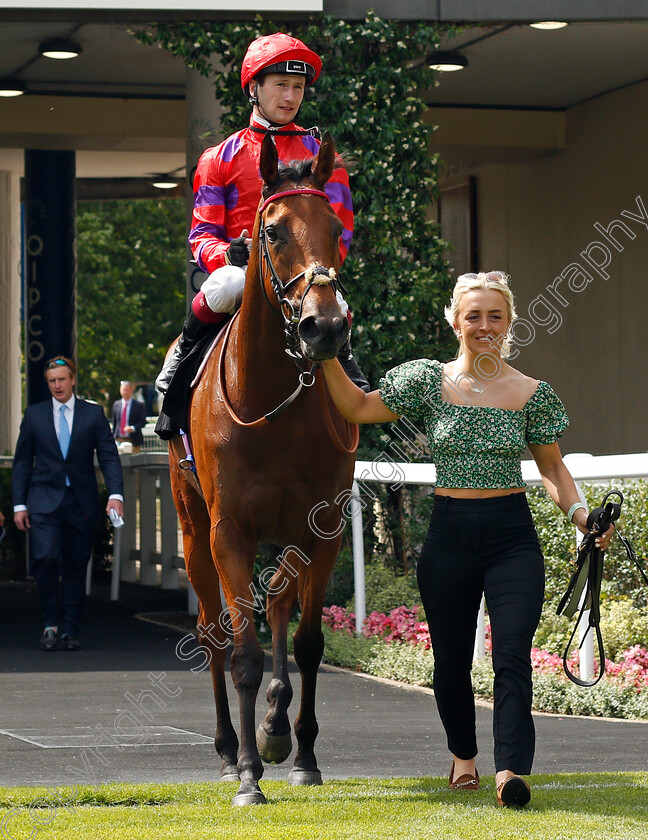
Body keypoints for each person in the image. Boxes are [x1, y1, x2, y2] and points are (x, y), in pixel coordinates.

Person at [320, 271, 614, 808]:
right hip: (449, 536)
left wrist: (580, 514)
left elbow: (552, 467)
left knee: (511, 656)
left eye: (494, 316)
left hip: (512, 538)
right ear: (455, 320)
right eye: (473, 315)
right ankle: (463, 755)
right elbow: (358, 408)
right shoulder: (427, 382)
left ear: (508, 324)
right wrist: (326, 353)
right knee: (451, 664)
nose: (484, 325)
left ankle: (510, 772)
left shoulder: (531, 393)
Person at [155, 31, 369, 397]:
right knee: (225, 285)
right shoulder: (218, 158)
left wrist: (316, 272)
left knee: (339, 306)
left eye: (298, 87)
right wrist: (226, 254)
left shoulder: (324, 156)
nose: (290, 97)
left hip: (304, 275)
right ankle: (182, 360)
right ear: (254, 87)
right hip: (244, 270)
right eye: (281, 84)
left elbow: (341, 232)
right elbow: (201, 234)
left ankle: (351, 377)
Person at [12, 356, 124, 651]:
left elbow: (109, 456)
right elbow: (23, 462)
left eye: (62, 379)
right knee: (46, 559)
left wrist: (116, 494)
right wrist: (19, 505)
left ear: (73, 380)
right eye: (52, 381)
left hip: (80, 504)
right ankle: (49, 624)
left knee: (76, 566)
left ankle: (70, 629)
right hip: (43, 502)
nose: (57, 385)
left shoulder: (93, 414)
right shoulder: (34, 415)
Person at [112, 379, 147, 453]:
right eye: (124, 390)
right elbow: (115, 422)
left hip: (134, 440)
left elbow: (142, 422)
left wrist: (132, 428)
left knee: (135, 462)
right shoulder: (116, 404)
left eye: (127, 390)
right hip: (119, 440)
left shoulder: (139, 405)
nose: (125, 392)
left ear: (131, 390)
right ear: (120, 390)